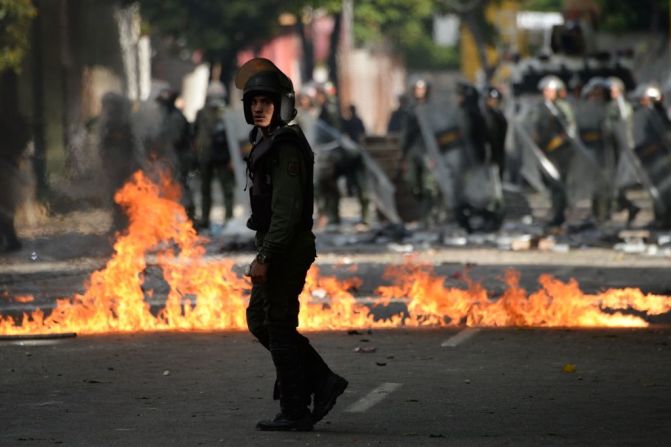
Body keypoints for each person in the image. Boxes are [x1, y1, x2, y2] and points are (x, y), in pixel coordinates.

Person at [235, 58, 348, 431]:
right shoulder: (265, 143)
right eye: (254, 102)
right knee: (260, 321)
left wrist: (266, 256)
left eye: (266, 102)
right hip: (274, 243)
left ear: (281, 104)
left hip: (285, 247)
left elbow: (286, 210)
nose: (258, 108)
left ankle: (295, 409)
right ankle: (322, 380)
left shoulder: (285, 147)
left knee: (279, 326)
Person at [532, 75, 576, 227]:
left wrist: (556, 142)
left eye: (548, 90)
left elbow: (569, 129)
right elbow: (539, 128)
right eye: (544, 90)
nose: (546, 93)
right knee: (548, 181)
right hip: (546, 151)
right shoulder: (543, 107)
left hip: (561, 151)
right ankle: (556, 209)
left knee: (559, 183)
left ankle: (559, 214)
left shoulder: (562, 107)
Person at [192, 85, 234, 230]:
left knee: (227, 188)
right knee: (205, 189)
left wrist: (232, 158)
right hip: (206, 156)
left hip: (223, 156)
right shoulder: (202, 113)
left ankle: (229, 218)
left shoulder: (227, 113)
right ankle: (205, 218)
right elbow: (195, 133)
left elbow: (233, 138)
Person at [155, 88, 195, 222]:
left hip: (180, 158)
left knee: (180, 185)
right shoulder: (168, 116)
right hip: (174, 157)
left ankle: (187, 217)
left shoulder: (175, 117)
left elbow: (174, 139)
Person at [482, 86, 508, 181]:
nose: (492, 102)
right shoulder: (484, 115)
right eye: (489, 99)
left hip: (497, 150)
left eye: (494, 100)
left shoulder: (499, 115)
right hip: (489, 151)